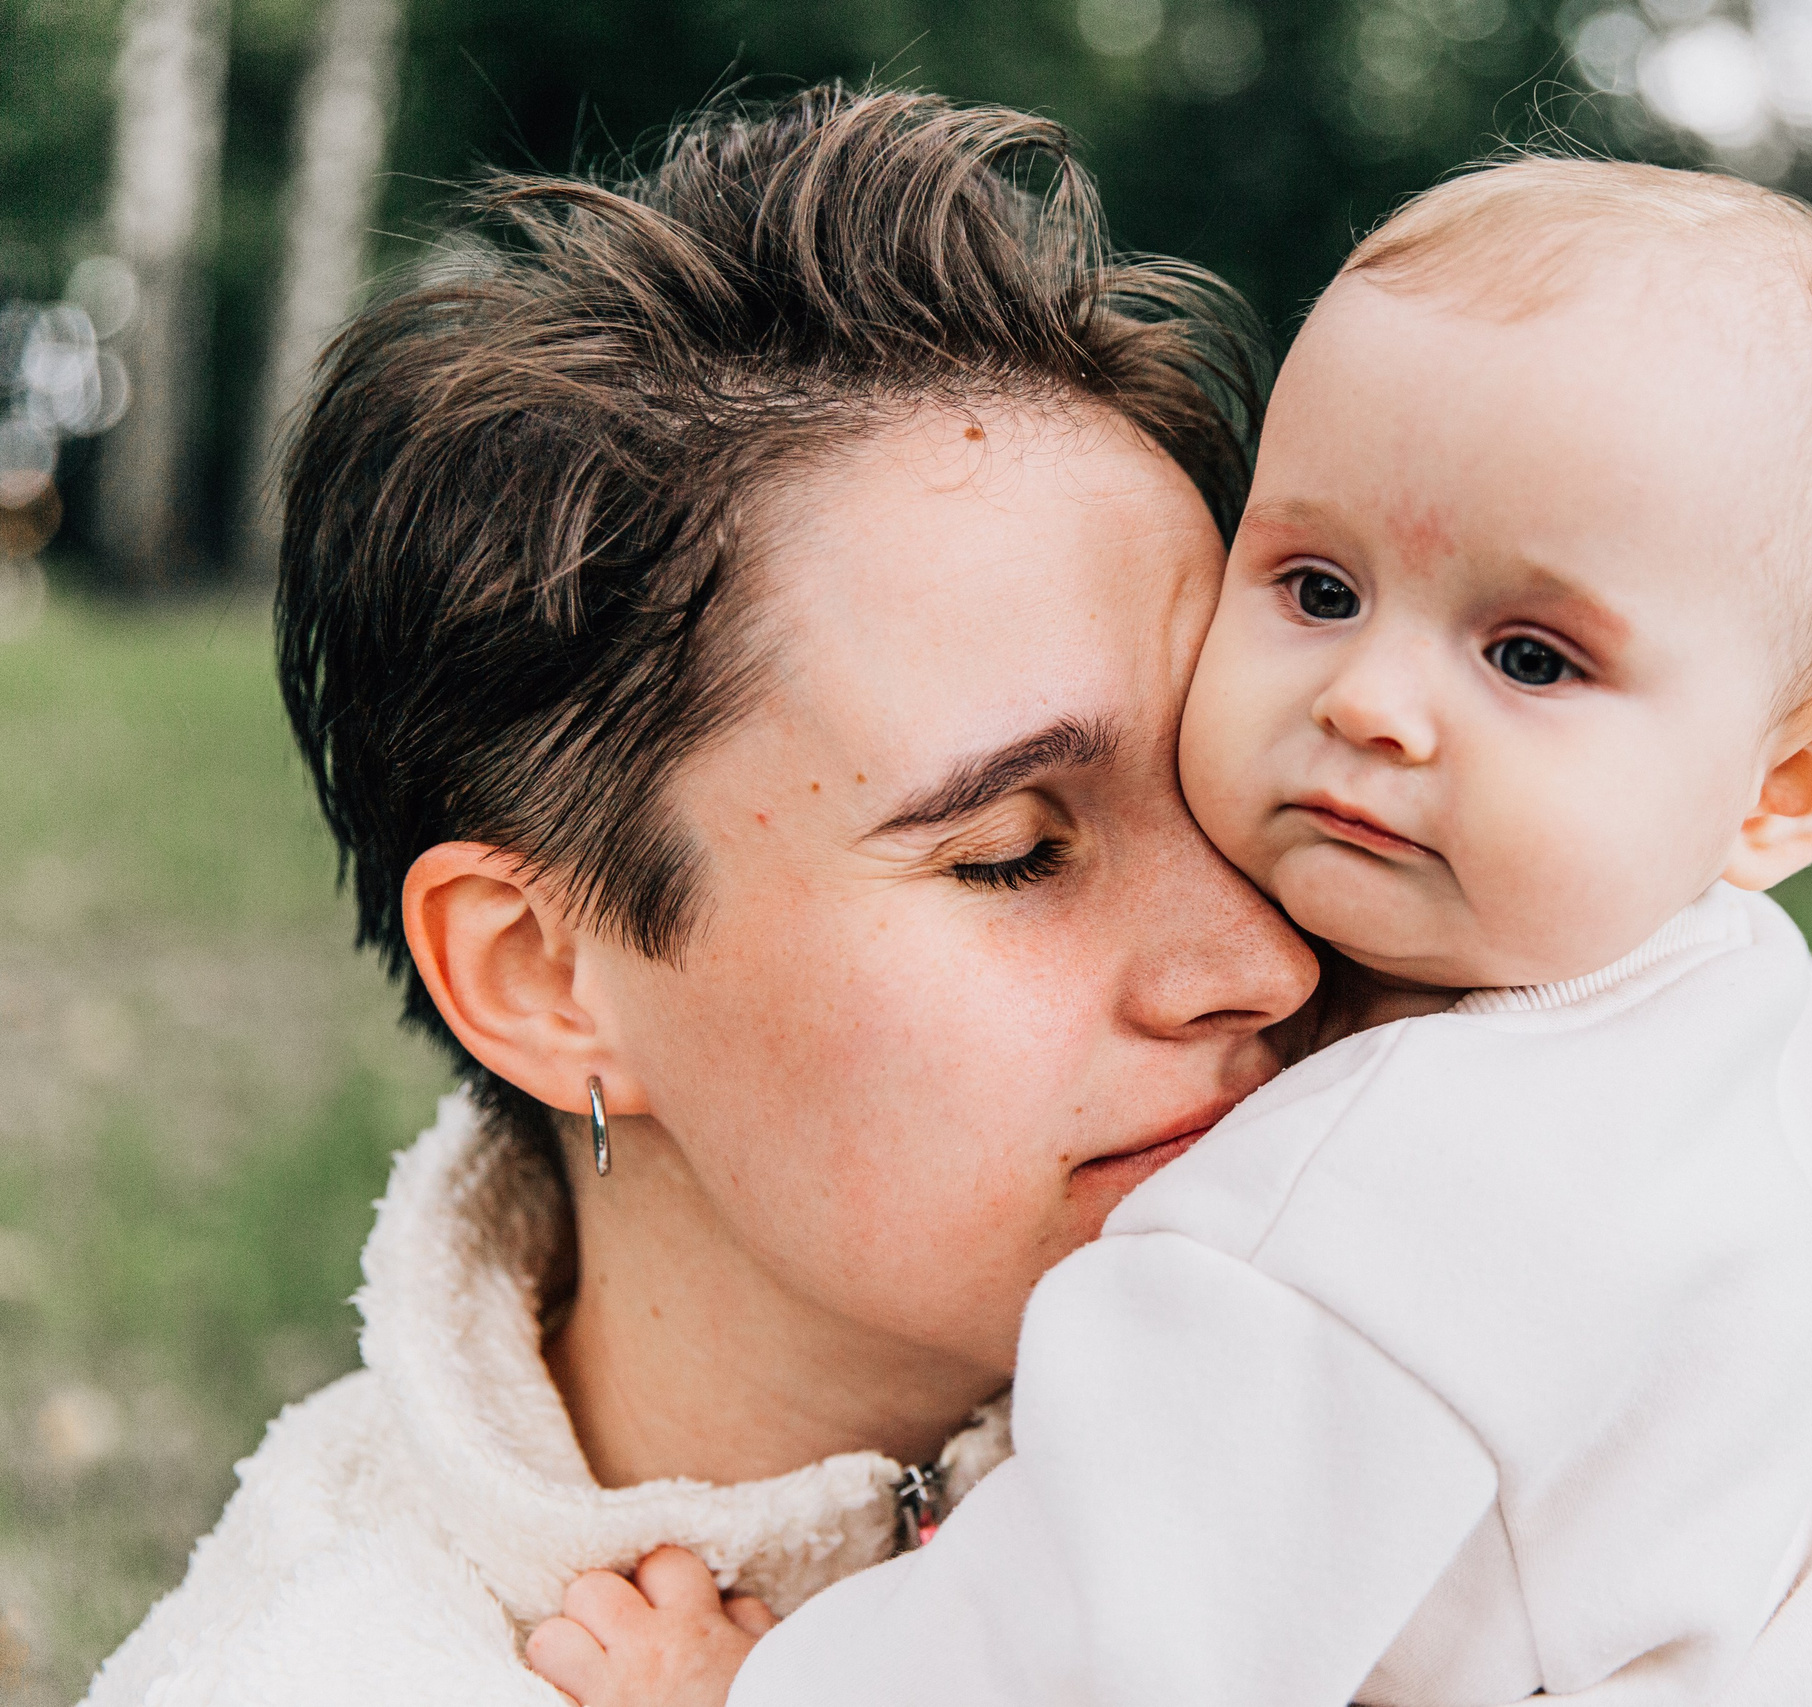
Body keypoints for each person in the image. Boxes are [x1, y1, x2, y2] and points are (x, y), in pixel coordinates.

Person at [524, 162, 1812, 1707]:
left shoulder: (1357, 1211)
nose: (1376, 701)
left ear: (1788, 791)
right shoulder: (1762, 1035)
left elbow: (1109, 1647)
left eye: (1530, 654)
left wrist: (758, 1685)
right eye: (1314, 583)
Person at [77, 85, 1321, 1707]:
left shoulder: (1453, 1370)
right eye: (1013, 848)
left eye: (1244, 797)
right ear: (543, 975)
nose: (1264, 959)